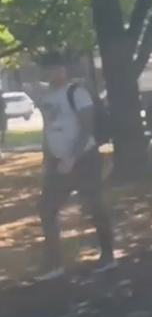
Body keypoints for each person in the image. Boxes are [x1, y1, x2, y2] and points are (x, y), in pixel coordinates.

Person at [34, 51, 116, 279]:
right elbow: (48, 127)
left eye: (57, 67)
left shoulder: (77, 93)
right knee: (47, 208)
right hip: (57, 161)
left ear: (65, 69)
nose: (53, 72)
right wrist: (47, 157)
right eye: (49, 68)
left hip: (84, 159)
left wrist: (73, 156)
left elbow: (87, 127)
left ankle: (108, 255)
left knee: (94, 205)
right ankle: (54, 262)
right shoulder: (46, 96)